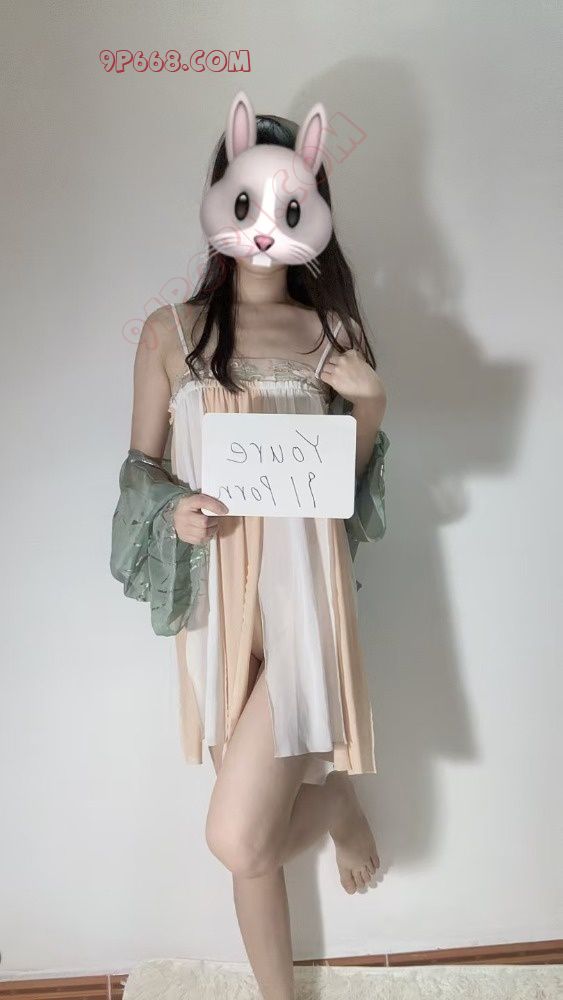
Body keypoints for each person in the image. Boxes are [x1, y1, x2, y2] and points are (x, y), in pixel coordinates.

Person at [112, 92, 389, 1000]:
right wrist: (174, 512)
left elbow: (344, 488)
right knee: (252, 843)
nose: (264, 224)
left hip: (305, 597)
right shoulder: (170, 333)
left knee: (235, 834)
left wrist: (371, 404)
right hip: (219, 602)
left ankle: (335, 800)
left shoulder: (332, 335)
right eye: (245, 199)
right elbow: (140, 472)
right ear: (220, 197)